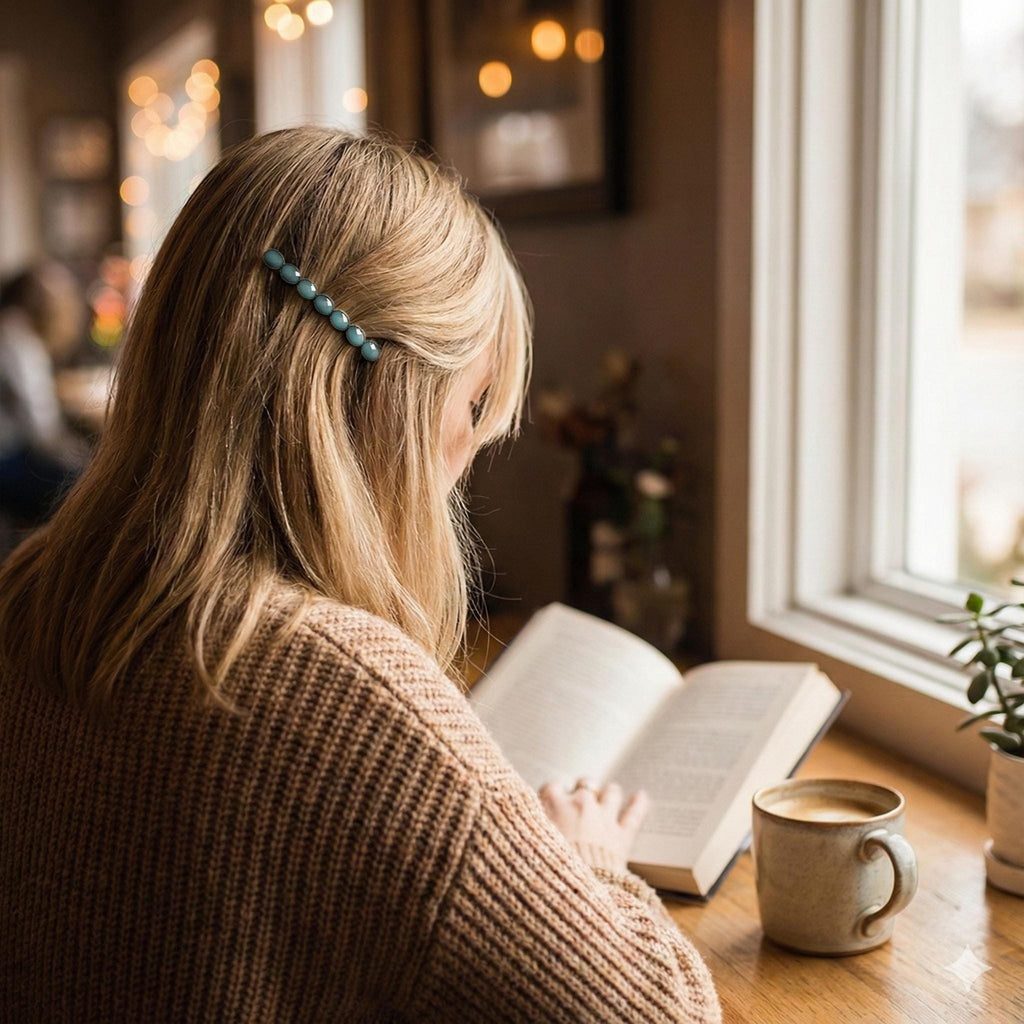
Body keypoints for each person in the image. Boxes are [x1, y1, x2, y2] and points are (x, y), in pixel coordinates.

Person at [0, 128, 721, 1023]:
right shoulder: (347, 701)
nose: (465, 457)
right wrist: (585, 865)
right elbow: (659, 1014)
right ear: (389, 400)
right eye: (471, 407)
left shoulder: (28, 592)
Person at [0, 262, 89, 524]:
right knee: (86, 486)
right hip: (7, 461)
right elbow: (44, 434)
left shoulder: (10, 330)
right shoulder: (18, 341)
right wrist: (91, 463)